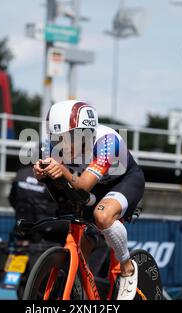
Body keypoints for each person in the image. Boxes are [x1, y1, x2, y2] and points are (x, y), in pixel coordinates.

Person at [33, 100, 145, 300]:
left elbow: (83, 184)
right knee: (79, 250)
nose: (62, 143)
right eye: (58, 137)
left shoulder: (107, 141)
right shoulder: (50, 144)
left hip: (121, 182)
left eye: (69, 136)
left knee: (101, 217)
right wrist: (41, 172)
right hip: (92, 187)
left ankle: (127, 267)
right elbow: (58, 179)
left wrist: (63, 171)